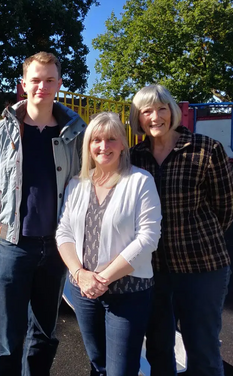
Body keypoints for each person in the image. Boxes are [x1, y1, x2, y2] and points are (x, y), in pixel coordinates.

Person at [0, 51, 86, 376]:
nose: (42, 86)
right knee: (7, 341)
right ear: (23, 84)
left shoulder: (74, 134)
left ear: (58, 84)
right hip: (15, 245)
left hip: (57, 247)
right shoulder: (2, 132)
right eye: (36, 79)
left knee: (44, 335)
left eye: (49, 80)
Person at [129, 85, 233, 376]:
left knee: (202, 347)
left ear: (173, 111)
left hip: (201, 266)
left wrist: (197, 236)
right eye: (146, 111)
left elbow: (226, 207)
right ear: (137, 118)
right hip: (152, 269)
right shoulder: (133, 157)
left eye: (161, 108)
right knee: (158, 347)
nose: (155, 117)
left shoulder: (205, 149)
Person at [56, 112, 162, 376]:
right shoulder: (77, 184)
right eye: (97, 140)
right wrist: (80, 274)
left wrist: (101, 279)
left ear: (123, 144)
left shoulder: (139, 181)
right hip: (84, 292)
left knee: (121, 370)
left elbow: (148, 238)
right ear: (88, 145)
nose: (104, 146)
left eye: (111, 139)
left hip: (128, 292)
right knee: (98, 363)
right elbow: (64, 231)